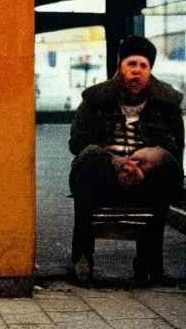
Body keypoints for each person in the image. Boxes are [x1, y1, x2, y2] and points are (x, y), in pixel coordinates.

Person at [68, 35, 184, 285]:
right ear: (120, 68)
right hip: (104, 177)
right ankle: (82, 256)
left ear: (150, 72)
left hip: (147, 180)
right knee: (87, 158)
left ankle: (149, 261)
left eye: (143, 66)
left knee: (168, 168)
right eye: (132, 64)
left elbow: (177, 150)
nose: (137, 72)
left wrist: (153, 158)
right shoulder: (94, 99)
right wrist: (116, 163)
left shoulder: (168, 104)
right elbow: (76, 143)